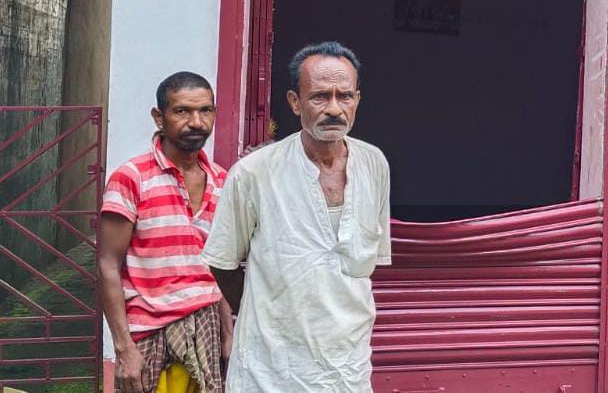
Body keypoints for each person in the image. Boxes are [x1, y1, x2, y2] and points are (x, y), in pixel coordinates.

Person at [203, 41, 391, 391]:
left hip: (347, 368)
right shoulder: (254, 173)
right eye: (320, 96)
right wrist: (272, 312)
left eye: (344, 96)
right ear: (294, 102)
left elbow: (364, 266)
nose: (334, 108)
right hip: (271, 370)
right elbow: (222, 263)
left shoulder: (374, 164)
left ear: (357, 100)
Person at [97, 72, 232, 393]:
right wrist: (123, 348)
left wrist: (229, 336)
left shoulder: (223, 181)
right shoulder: (132, 177)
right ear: (159, 117)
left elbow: (223, 267)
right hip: (146, 333)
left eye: (205, 110)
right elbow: (107, 264)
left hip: (206, 329)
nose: (196, 122)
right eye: (182, 111)